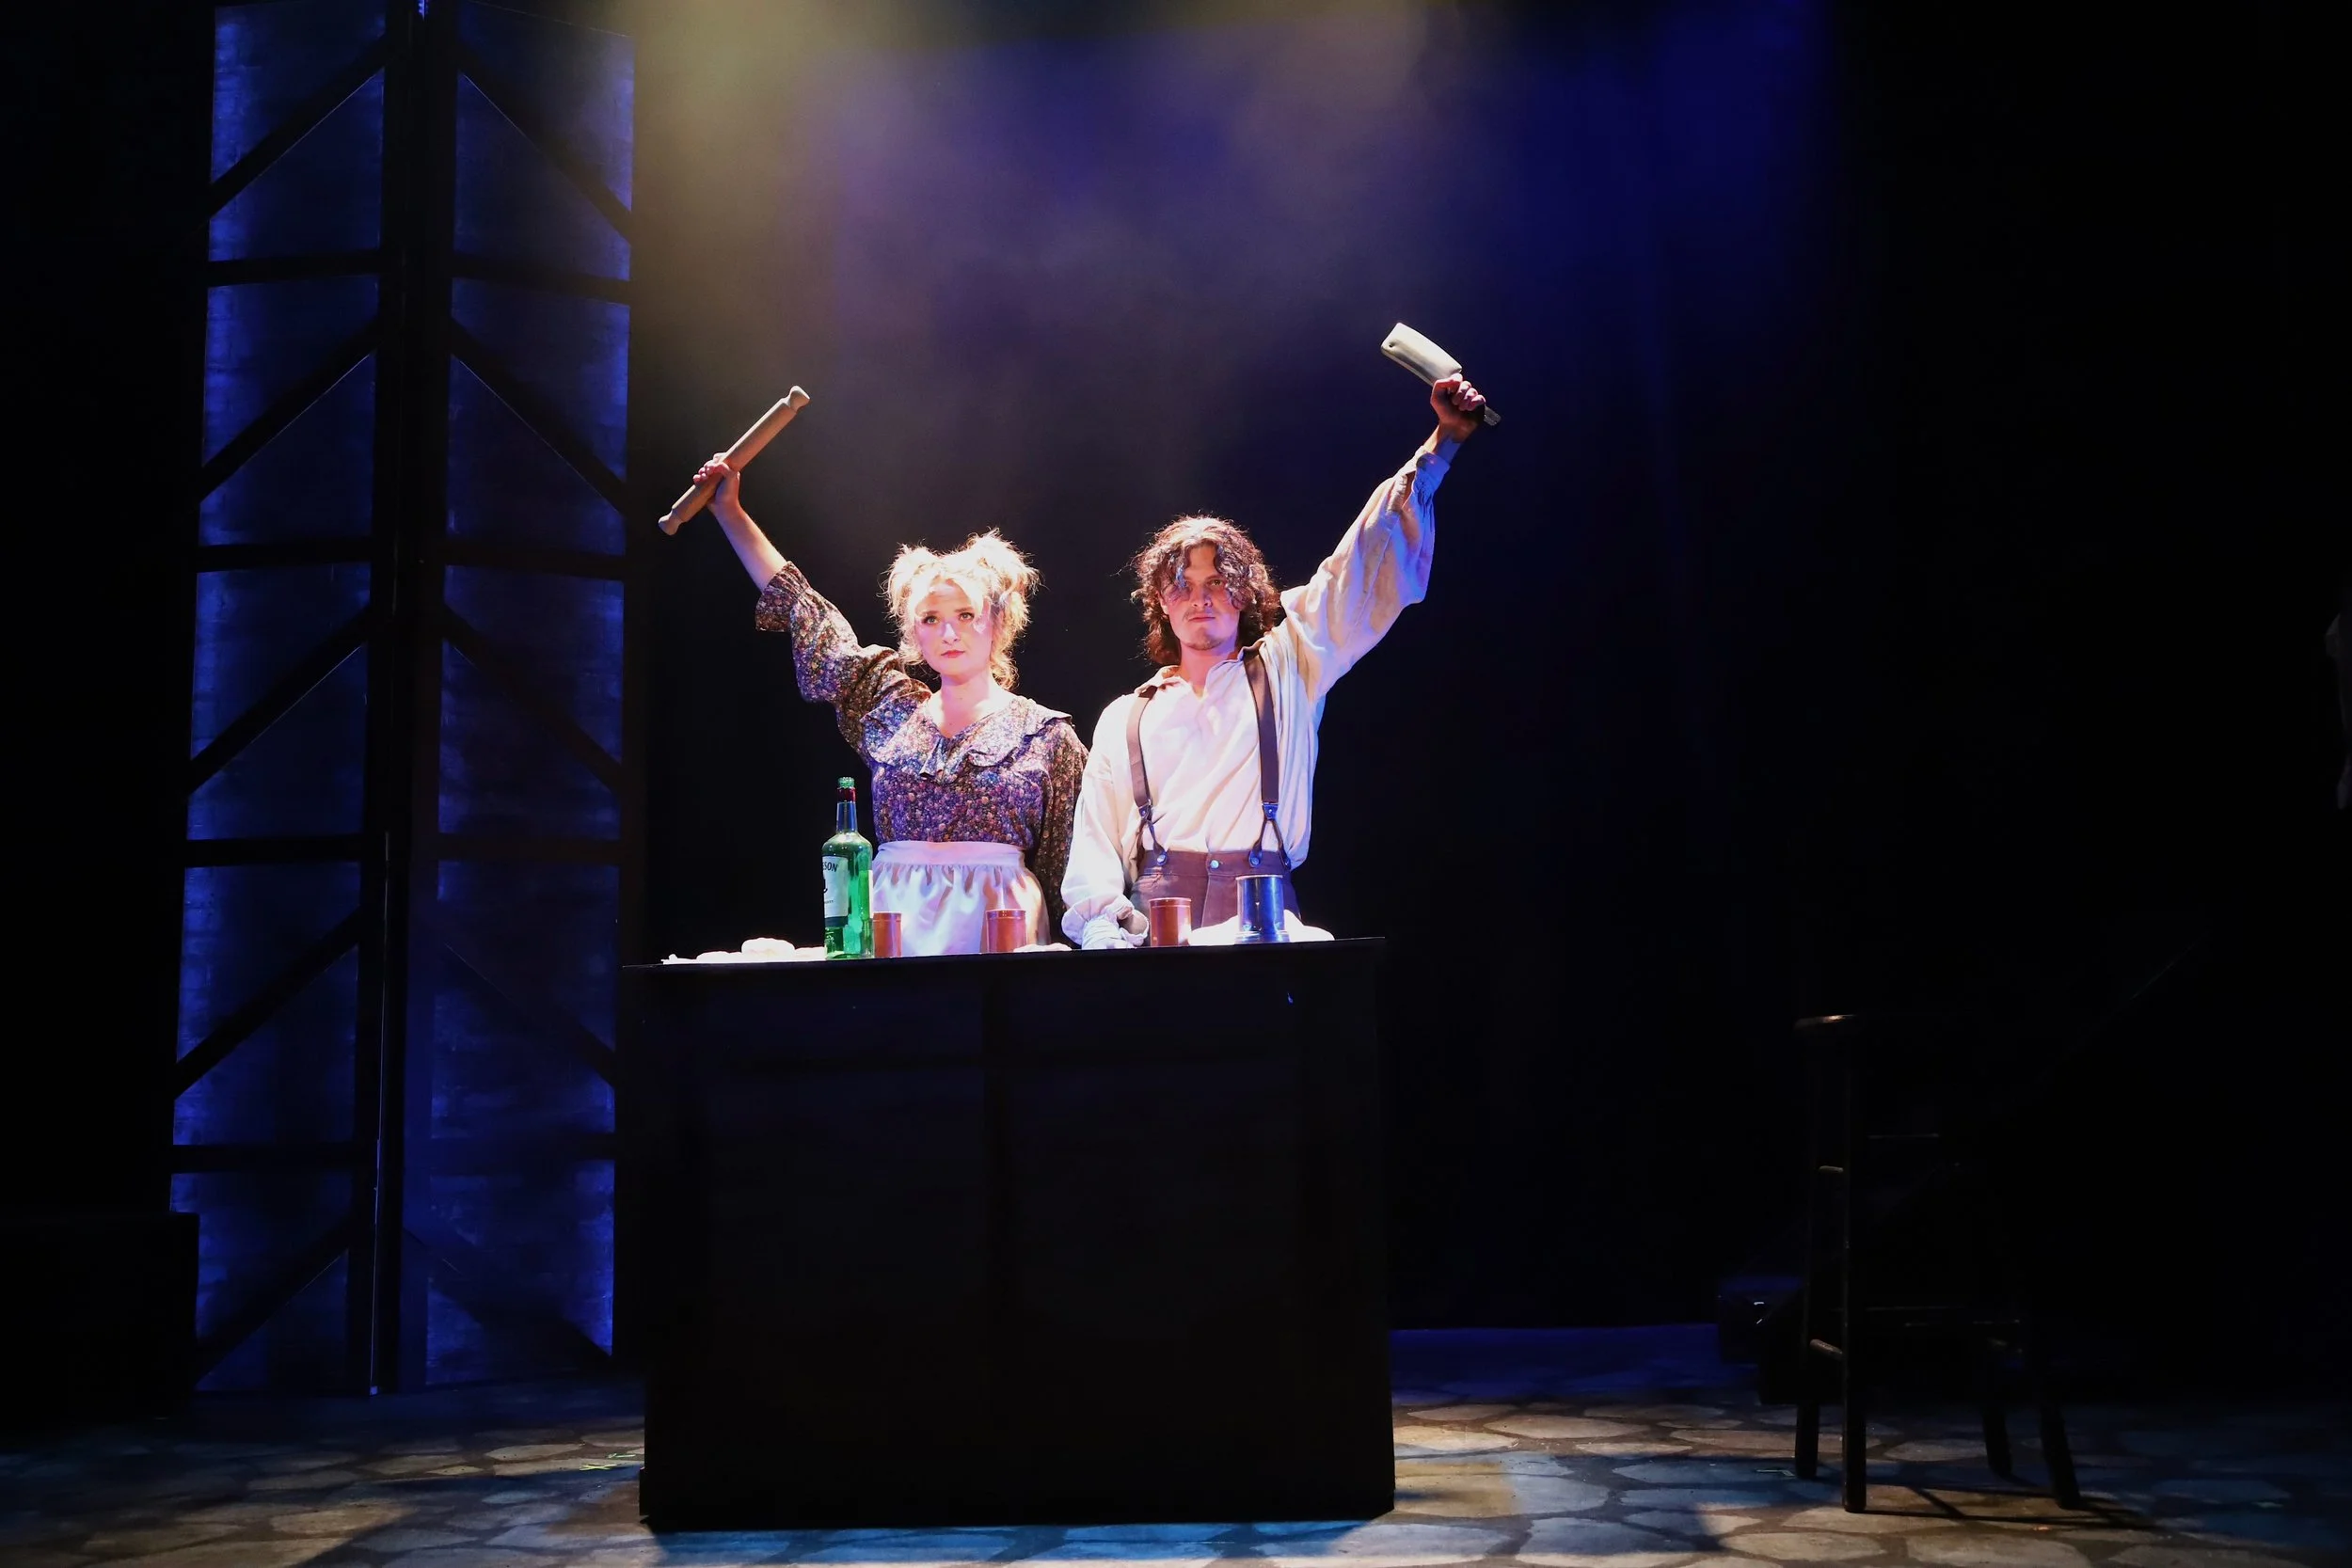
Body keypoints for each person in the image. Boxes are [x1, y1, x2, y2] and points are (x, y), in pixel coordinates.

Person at [1061, 373, 1487, 946]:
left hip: (1261, 929)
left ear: (1243, 593)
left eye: (1218, 582)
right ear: (1162, 603)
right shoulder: (1126, 717)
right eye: (1183, 586)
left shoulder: (1290, 668)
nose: (1201, 598)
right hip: (1157, 939)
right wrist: (1106, 932)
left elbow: (1356, 564)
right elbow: (1094, 844)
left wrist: (1441, 446)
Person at [689, 453, 1088, 954]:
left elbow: (1069, 868)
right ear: (912, 633)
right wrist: (732, 514)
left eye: (966, 615)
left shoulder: (1046, 735)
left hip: (999, 938)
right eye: (930, 618)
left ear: (999, 624)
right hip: (894, 929)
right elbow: (807, 613)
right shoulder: (890, 710)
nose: (948, 632)